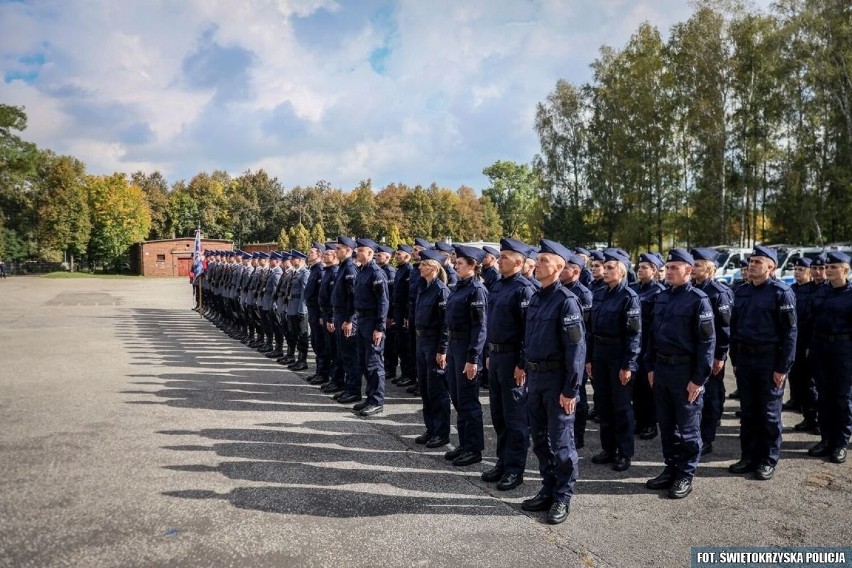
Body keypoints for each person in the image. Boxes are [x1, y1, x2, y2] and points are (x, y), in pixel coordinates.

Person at [520, 239, 586, 525]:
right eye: (538, 260)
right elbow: (530, 339)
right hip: (535, 378)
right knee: (539, 440)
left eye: (544, 260)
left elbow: (576, 350)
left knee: (561, 443)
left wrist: (570, 389)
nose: (537, 264)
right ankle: (548, 488)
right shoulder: (537, 297)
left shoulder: (566, 301)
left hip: (557, 380)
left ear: (559, 267)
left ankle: (562, 496)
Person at [644, 249, 715, 499]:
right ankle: (670, 468)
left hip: (685, 372)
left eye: (674, 268)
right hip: (662, 370)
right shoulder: (662, 298)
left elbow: (707, 344)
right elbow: (652, 336)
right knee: (666, 424)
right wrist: (650, 367)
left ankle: (685, 474)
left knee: (688, 427)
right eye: (668, 267)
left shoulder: (698, 300)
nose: (669, 272)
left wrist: (698, 379)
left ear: (688, 270)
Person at [729, 245, 797, 481]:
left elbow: (790, 333)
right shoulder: (742, 291)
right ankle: (748, 457)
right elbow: (735, 328)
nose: (752, 264)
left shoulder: (781, 292)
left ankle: (767, 460)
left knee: (768, 413)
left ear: (771, 267)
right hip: (746, 358)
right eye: (751, 261)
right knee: (748, 412)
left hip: (769, 359)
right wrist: (735, 360)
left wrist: (782, 367)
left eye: (759, 261)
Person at [482, 238, 535, 489]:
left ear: (518, 261)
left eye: (504, 256)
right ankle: (502, 462)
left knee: (515, 419)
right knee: (499, 416)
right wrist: (490, 353)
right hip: (497, 356)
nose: (499, 259)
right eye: (500, 256)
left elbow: (529, 330)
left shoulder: (524, 289)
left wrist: (522, 363)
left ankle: (515, 469)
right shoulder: (498, 286)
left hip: (514, 359)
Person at [587, 249, 641, 472]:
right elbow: (590, 329)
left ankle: (624, 452)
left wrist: (628, 364)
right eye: (605, 267)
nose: (606, 271)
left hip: (618, 355)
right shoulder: (599, 294)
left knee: (620, 406)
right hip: (600, 353)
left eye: (610, 268)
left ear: (621, 271)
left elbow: (634, 334)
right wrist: (589, 358)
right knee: (603, 403)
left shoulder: (629, 297)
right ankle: (608, 448)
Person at [441, 244, 488, 466]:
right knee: (458, 399)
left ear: (473, 265)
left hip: (467, 348)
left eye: (460, 263)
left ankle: (474, 448)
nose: (455, 265)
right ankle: (464, 443)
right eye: (455, 262)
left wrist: (472, 358)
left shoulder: (476, 290)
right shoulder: (459, 287)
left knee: (469, 401)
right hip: (455, 345)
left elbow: (479, 328)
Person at [807, 251, 852, 464]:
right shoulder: (821, 292)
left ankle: (841, 443)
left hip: (843, 349)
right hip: (820, 348)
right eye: (828, 267)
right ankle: (826, 440)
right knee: (823, 397)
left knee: (842, 398)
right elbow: (809, 320)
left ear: (845, 270)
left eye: (833, 267)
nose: (828, 270)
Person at [691, 248, 733, 456]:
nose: (692, 268)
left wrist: (720, 356)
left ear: (709, 269)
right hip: (693, 354)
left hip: (712, 354)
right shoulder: (690, 290)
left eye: (697, 265)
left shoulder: (719, 293)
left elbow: (724, 329)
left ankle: (706, 437)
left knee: (711, 397)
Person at [413, 249, 452, 448]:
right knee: (425, 389)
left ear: (434, 268)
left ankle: (441, 431)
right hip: (422, 341)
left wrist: (442, 350)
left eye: (423, 265)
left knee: (437, 389)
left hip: (434, 342)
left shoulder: (441, 290)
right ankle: (431, 428)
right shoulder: (424, 286)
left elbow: (446, 324)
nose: (419, 267)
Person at [348, 239, 390, 417]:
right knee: (364, 362)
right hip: (362, 320)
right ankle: (369, 397)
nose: (357, 253)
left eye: (361, 250)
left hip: (372, 321)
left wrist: (379, 327)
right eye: (357, 250)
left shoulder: (376, 273)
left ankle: (377, 401)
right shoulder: (362, 271)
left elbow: (383, 301)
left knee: (374, 364)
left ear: (371, 253)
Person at [559, 252, 593, 449]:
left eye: (566, 268)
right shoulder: (561, 291)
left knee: (577, 396)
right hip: (563, 353)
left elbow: (586, 331)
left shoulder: (583, 294)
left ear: (576, 271)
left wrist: (586, 358)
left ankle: (578, 436)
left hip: (579, 352)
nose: (562, 271)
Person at [630, 252, 666, 441]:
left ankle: (650, 423)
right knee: (636, 385)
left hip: (648, 343)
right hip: (634, 342)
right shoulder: (633, 289)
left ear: (654, 270)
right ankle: (639, 419)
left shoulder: (658, 291)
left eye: (644, 267)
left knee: (647, 385)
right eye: (639, 267)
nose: (640, 270)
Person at [788, 257, 819, 432]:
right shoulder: (792, 289)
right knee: (799, 381)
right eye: (796, 269)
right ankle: (807, 416)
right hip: (795, 343)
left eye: (801, 269)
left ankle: (815, 419)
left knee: (810, 384)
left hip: (807, 343)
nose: (797, 272)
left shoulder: (813, 291)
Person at [331, 237, 362, 404]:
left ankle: (354, 391)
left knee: (350, 356)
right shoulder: (343, 266)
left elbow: (352, 297)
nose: (336, 251)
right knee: (343, 354)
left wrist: (350, 319)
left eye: (338, 248)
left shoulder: (350, 268)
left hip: (346, 316)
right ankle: (347, 387)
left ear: (348, 251)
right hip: (339, 315)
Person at [319, 244, 345, 395]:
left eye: (328, 254)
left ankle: (338, 381)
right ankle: (333, 379)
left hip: (334, 315)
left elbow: (335, 299)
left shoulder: (335, 272)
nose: (325, 256)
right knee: (330, 349)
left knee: (337, 352)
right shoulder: (329, 271)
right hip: (327, 314)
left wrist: (331, 318)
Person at [304, 242, 328, 383]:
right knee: (315, 342)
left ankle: (323, 373)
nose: (308, 254)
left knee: (320, 343)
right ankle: (320, 371)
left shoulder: (320, 270)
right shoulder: (314, 269)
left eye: (311, 252)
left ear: (319, 255)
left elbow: (321, 295)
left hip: (317, 313)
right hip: (312, 311)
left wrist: (320, 315)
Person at [392, 244, 415, 388]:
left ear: (407, 256)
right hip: (398, 311)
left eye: (399, 254)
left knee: (406, 347)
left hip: (405, 312)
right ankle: (405, 374)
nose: (396, 256)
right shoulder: (400, 270)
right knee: (400, 345)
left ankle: (409, 375)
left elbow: (409, 295)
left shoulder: (409, 270)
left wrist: (407, 315)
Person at [376, 245, 398, 381]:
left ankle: (391, 368)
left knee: (390, 344)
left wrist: (390, 316)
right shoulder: (381, 270)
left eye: (380, 255)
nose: (377, 257)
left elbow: (390, 296)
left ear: (388, 257)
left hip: (389, 313)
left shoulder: (390, 272)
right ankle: (387, 367)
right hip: (386, 314)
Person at [286, 250, 310, 371]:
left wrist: (302, 310)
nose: (291, 260)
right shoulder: (296, 273)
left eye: (293, 258)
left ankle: (303, 360)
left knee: (302, 334)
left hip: (299, 308)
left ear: (300, 260)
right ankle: (296, 358)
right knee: (294, 333)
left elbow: (304, 293)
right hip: (292, 306)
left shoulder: (305, 273)